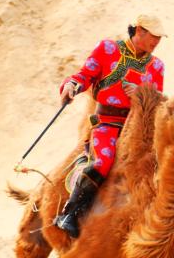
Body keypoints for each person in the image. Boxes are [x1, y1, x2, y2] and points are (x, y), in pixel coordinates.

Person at [53, 15, 166, 237]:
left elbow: (159, 100)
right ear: (139, 31)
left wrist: (142, 93)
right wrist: (71, 86)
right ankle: (70, 213)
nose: (157, 41)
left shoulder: (157, 66)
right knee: (103, 162)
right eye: (154, 36)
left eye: (159, 38)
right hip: (107, 123)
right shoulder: (107, 49)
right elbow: (84, 76)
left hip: (139, 128)